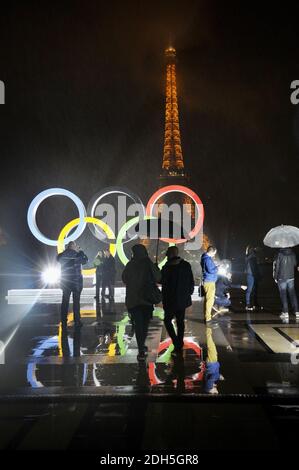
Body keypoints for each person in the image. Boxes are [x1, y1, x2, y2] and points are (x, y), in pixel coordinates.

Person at [122, 244, 161, 361]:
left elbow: (124, 278)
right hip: (146, 299)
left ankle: (141, 348)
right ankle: (141, 348)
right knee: (144, 325)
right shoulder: (148, 263)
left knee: (138, 324)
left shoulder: (130, 264)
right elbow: (158, 277)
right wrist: (155, 268)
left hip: (133, 299)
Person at [161, 246, 194, 355]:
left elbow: (162, 280)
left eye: (167, 254)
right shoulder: (186, 265)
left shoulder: (167, 267)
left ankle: (176, 341)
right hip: (182, 300)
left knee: (167, 320)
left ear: (170, 254)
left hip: (170, 299)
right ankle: (179, 342)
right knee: (180, 322)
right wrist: (188, 293)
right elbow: (191, 281)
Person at [57, 241, 88, 328]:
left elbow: (58, 259)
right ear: (73, 246)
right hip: (76, 282)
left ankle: (63, 320)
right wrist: (81, 251)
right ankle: (77, 320)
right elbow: (86, 260)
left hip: (65, 281)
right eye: (75, 245)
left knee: (65, 302)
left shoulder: (62, 255)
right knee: (76, 302)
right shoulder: (77, 254)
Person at [273, 247, 299, 320]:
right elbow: (295, 264)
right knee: (292, 294)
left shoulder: (279, 254)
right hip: (291, 276)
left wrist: (275, 277)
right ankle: (297, 311)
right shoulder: (293, 253)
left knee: (283, 294)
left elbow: (277, 266)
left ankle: (285, 312)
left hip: (282, 277)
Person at [201, 246, 218, 324]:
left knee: (208, 300)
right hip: (209, 281)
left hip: (208, 281)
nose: (214, 255)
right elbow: (211, 270)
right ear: (211, 251)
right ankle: (208, 319)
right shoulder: (207, 259)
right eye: (214, 253)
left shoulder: (205, 258)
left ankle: (207, 317)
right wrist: (217, 267)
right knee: (210, 300)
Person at [245, 246, 261, 311]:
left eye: (252, 249)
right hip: (250, 275)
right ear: (248, 251)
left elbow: (258, 266)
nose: (252, 251)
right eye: (250, 250)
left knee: (255, 290)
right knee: (249, 290)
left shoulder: (255, 257)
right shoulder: (248, 257)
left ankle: (255, 303)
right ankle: (248, 304)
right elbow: (247, 260)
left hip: (255, 275)